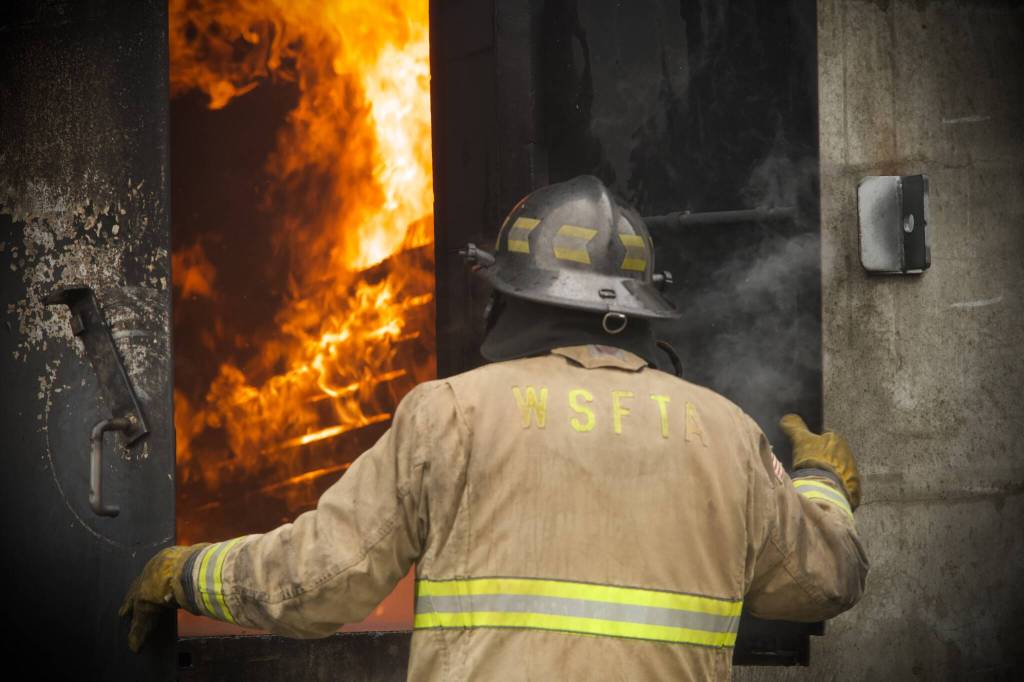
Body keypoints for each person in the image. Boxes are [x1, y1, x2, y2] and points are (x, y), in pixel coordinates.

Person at [122, 175, 867, 679]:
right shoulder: (728, 435)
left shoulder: (452, 414)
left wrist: (184, 572)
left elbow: (316, 583)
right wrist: (824, 486)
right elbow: (826, 580)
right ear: (644, 309)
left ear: (511, 297)